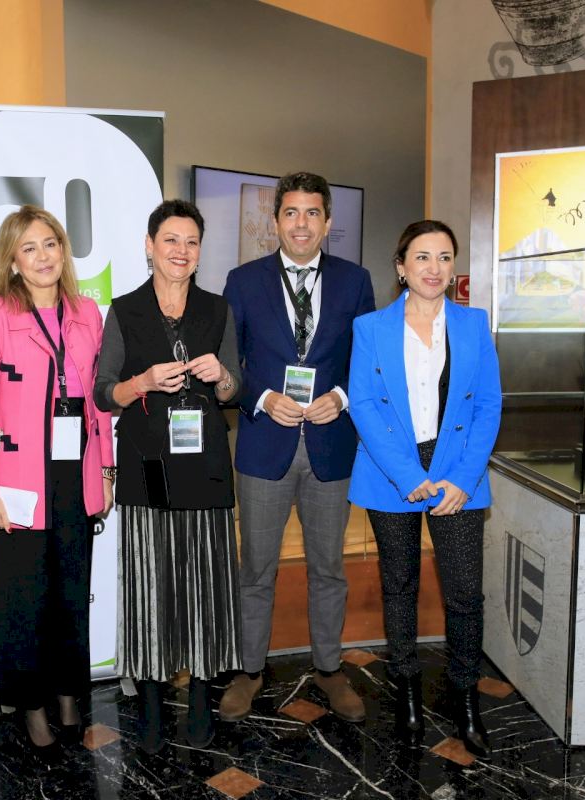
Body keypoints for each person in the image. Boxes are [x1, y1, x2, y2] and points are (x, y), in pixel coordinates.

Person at [220, 172, 375, 723]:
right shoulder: (243, 281)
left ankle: (329, 668)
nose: (301, 223)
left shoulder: (356, 281)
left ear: (328, 223)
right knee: (256, 568)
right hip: (266, 446)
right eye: (291, 212)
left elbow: (368, 360)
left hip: (331, 446)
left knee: (329, 568)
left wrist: (341, 396)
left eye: (312, 213)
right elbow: (229, 365)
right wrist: (263, 398)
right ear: (276, 221)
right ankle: (249, 669)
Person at [0, 206, 115, 753]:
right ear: (12, 261)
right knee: (22, 598)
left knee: (71, 593)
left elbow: (99, 402)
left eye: (50, 243)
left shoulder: (87, 312)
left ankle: (70, 695)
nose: (43, 256)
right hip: (17, 480)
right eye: (29, 248)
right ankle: (30, 705)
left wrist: (106, 468)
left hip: (76, 472)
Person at [346, 220, 501, 756]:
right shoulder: (371, 328)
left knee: (465, 593)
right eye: (422, 257)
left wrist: (464, 477)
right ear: (401, 267)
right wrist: (409, 476)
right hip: (394, 468)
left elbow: (488, 404)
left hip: (457, 469)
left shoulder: (474, 323)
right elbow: (364, 405)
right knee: (400, 585)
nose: (434, 268)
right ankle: (407, 691)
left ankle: (466, 699)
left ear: (453, 267)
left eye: (444, 257)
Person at [94, 199, 242, 752]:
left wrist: (221, 375)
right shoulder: (124, 310)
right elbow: (103, 392)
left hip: (205, 468)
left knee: (206, 591)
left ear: (200, 251)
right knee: (150, 591)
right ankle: (152, 707)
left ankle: (201, 701)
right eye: (171, 240)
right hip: (147, 467)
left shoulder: (217, 310)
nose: (181, 251)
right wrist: (144, 382)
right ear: (149, 245)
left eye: (191, 242)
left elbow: (235, 390)